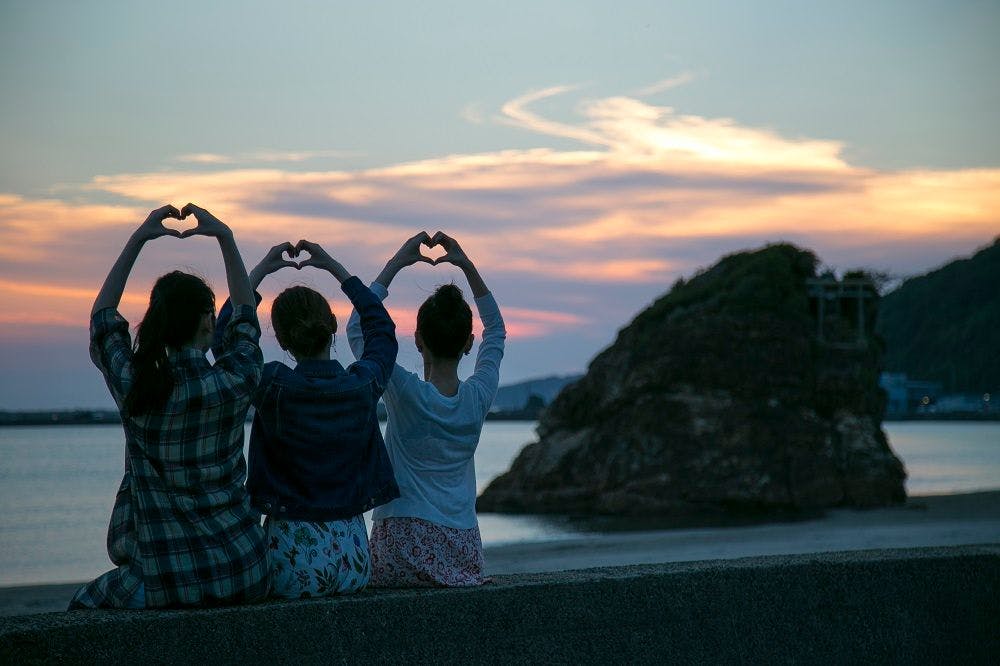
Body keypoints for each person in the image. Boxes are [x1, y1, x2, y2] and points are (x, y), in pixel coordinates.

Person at [71, 204, 269, 609]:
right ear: (208, 323)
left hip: (166, 578)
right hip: (245, 567)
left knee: (81, 609)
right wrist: (226, 238)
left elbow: (103, 320)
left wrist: (139, 238)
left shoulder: (137, 387)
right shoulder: (233, 381)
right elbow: (245, 319)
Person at [213, 240, 399, 598]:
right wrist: (335, 269)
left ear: (283, 341)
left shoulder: (271, 384)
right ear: (332, 326)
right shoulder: (361, 385)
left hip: (292, 557)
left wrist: (259, 273)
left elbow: (225, 343)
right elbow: (382, 332)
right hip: (354, 560)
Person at [347, 231, 505, 587]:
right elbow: (496, 331)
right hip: (462, 552)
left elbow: (358, 327)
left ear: (418, 339)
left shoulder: (404, 391)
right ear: (468, 343)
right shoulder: (478, 396)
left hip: (398, 549)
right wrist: (466, 266)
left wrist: (397, 263)